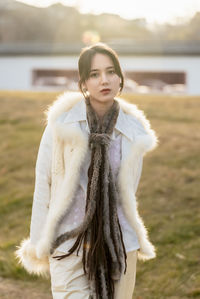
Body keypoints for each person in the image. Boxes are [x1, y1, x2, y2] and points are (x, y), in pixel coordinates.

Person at [15, 42, 159, 299]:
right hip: (68, 243)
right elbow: (43, 183)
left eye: (111, 71)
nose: (104, 80)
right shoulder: (62, 124)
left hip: (118, 246)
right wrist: (39, 241)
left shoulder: (133, 132)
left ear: (120, 78)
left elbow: (127, 194)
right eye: (94, 74)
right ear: (83, 83)